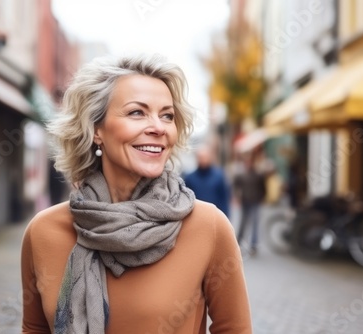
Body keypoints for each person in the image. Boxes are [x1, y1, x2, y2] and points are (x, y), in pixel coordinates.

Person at [21, 54, 252, 334]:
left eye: (167, 115)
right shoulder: (44, 232)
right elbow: (34, 329)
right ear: (96, 129)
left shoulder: (208, 227)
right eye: (137, 112)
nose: (158, 127)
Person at [184, 145, 230, 217]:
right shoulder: (190, 178)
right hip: (196, 217)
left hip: (215, 216)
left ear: (209, 157)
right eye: (200, 157)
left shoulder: (219, 176)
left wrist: (225, 216)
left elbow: (224, 197)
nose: (203, 159)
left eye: (205, 157)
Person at [233, 154, 266, 255]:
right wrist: (237, 197)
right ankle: (238, 243)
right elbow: (235, 185)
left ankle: (253, 245)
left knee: (255, 223)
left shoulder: (258, 175)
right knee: (243, 223)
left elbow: (263, 188)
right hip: (245, 201)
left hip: (255, 202)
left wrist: (261, 198)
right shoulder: (241, 175)